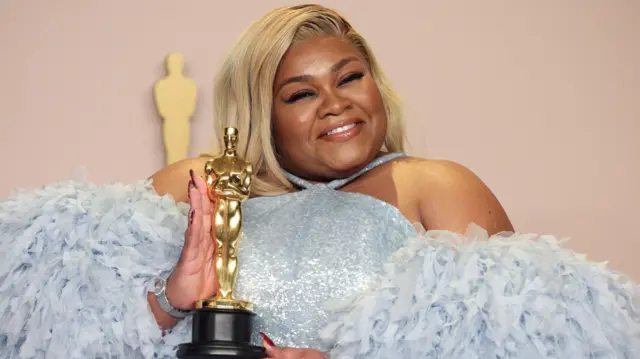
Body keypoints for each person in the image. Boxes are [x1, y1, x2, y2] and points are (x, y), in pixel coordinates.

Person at [0, 4, 637, 359]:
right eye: (301, 93)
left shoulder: (433, 185)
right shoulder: (200, 187)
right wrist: (171, 299)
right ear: (262, 113)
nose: (336, 104)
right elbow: (64, 340)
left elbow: (521, 350)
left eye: (350, 77)